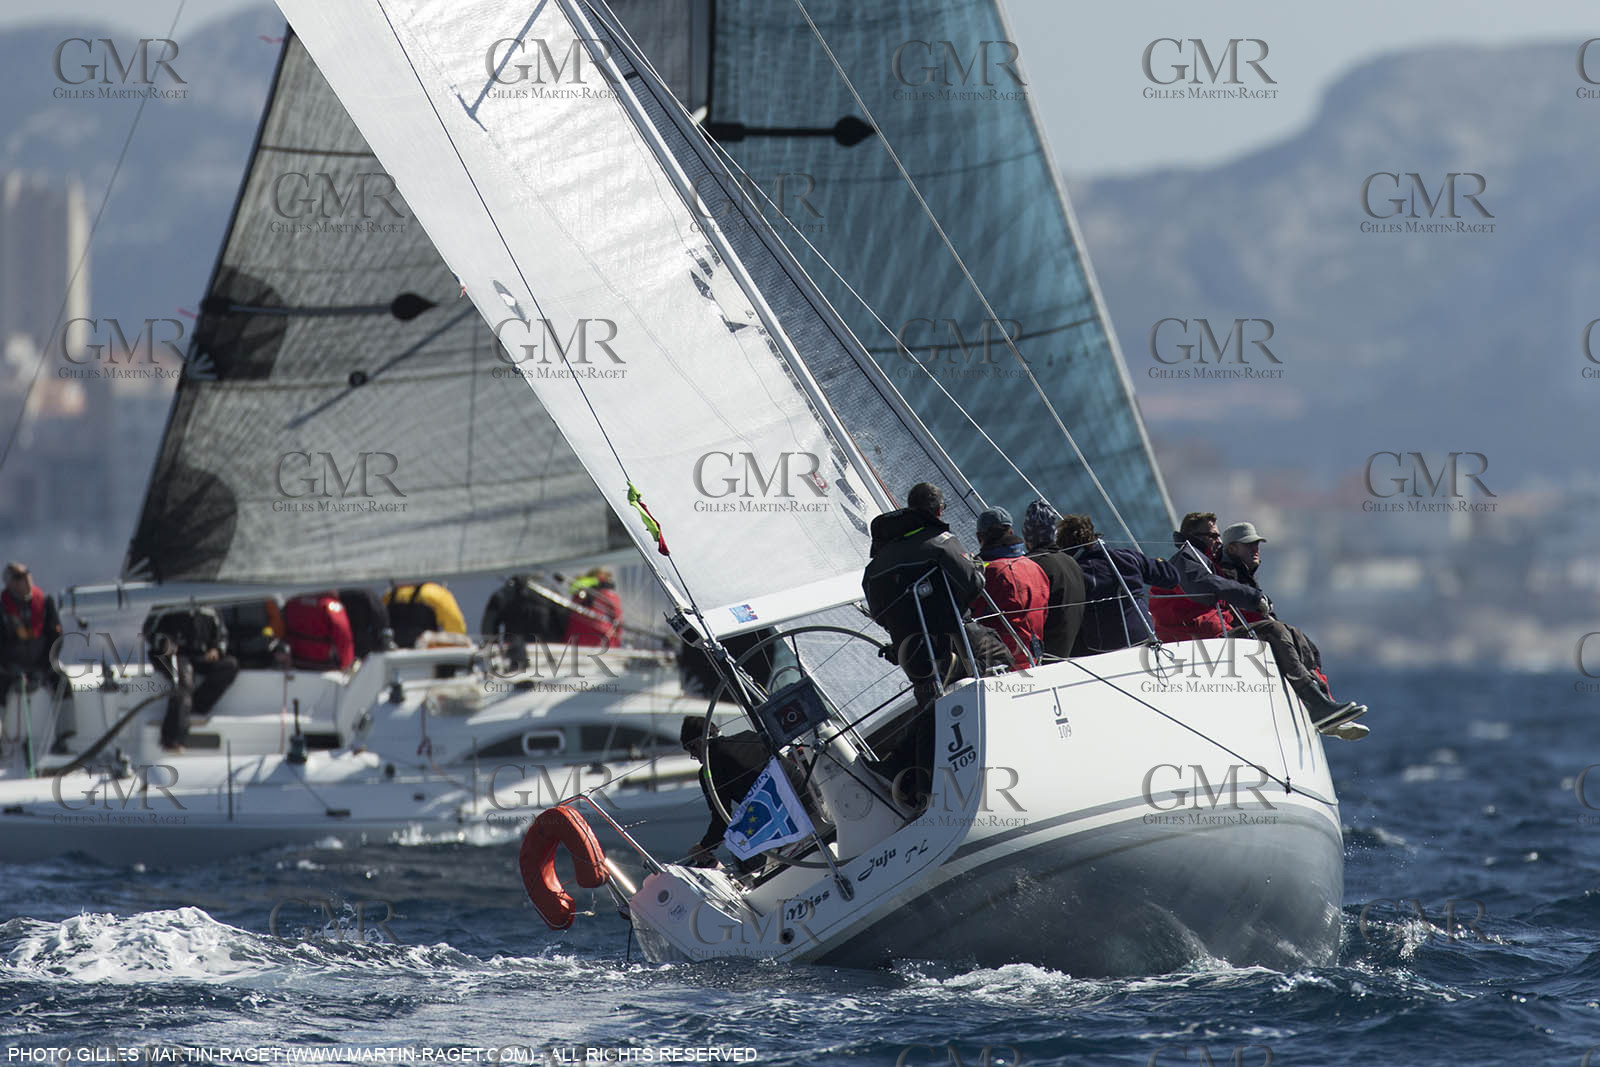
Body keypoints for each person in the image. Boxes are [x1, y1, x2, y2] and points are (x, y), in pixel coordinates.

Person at [862, 483, 1011, 786]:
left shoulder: (874, 566)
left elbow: (879, 615)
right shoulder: (942, 542)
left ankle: (906, 775)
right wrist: (977, 566)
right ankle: (1007, 744)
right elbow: (973, 585)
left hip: (910, 652)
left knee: (932, 702)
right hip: (952, 640)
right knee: (1001, 656)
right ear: (939, 509)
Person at [1215, 522, 1366, 731]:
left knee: (1305, 644)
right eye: (1249, 545)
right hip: (1234, 637)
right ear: (1231, 549)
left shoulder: (1242, 573)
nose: (1255, 549)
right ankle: (1320, 707)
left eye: (1257, 544)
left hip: (1250, 631)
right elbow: (1243, 615)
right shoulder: (1227, 574)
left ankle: (1327, 706)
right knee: (1281, 633)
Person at [1057, 515, 1180, 656]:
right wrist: (1159, 562)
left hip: (1101, 646)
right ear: (1094, 535)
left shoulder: (1072, 573)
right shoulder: (1128, 557)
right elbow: (1171, 577)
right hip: (1142, 635)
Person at [1151, 512, 1269, 643]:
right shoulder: (1185, 560)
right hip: (1197, 638)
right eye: (1213, 536)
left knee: (1279, 630)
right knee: (1275, 631)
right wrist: (1254, 598)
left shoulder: (1206, 562)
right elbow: (1203, 585)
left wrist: (1260, 612)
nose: (1219, 541)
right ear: (1194, 537)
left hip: (1212, 634)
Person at [681, 716, 774, 873]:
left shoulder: (710, 768)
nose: (696, 759)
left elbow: (722, 818)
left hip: (772, 818)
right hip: (799, 800)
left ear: (697, 743)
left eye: (692, 752)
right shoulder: (750, 736)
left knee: (740, 849)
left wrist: (704, 846)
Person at [143, 604, 240, 753]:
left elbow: (222, 635)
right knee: (184, 680)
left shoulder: (211, 603)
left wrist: (216, 649)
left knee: (230, 665)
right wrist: (164, 642)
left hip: (201, 656)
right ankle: (171, 740)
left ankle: (194, 705)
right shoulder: (166, 600)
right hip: (172, 655)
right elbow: (148, 631)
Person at [972, 506, 1049, 669]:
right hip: (1036, 660)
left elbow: (972, 618)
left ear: (980, 538)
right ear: (1011, 532)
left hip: (1002, 666)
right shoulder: (1035, 567)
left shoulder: (986, 573)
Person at [1022, 500, 1086, 660]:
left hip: (1045, 660)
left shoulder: (1031, 566)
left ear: (1027, 537)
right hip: (1074, 655)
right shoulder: (1072, 563)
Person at [0, 562, 64, 696]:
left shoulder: (45, 603)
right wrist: (10, 669)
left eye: (27, 575)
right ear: (9, 582)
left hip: (42, 666)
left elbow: (56, 637)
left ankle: (66, 717)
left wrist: (44, 667)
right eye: (18, 577)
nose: (25, 580)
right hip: (10, 669)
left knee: (62, 683)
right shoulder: (3, 608)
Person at [383, 581, 466, 648]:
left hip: (393, 658)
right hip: (426, 660)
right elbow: (458, 633)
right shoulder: (437, 594)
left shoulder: (388, 597)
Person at [564, 567, 623, 648]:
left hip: (573, 642)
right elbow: (618, 620)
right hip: (602, 643)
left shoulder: (578, 595)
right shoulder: (609, 595)